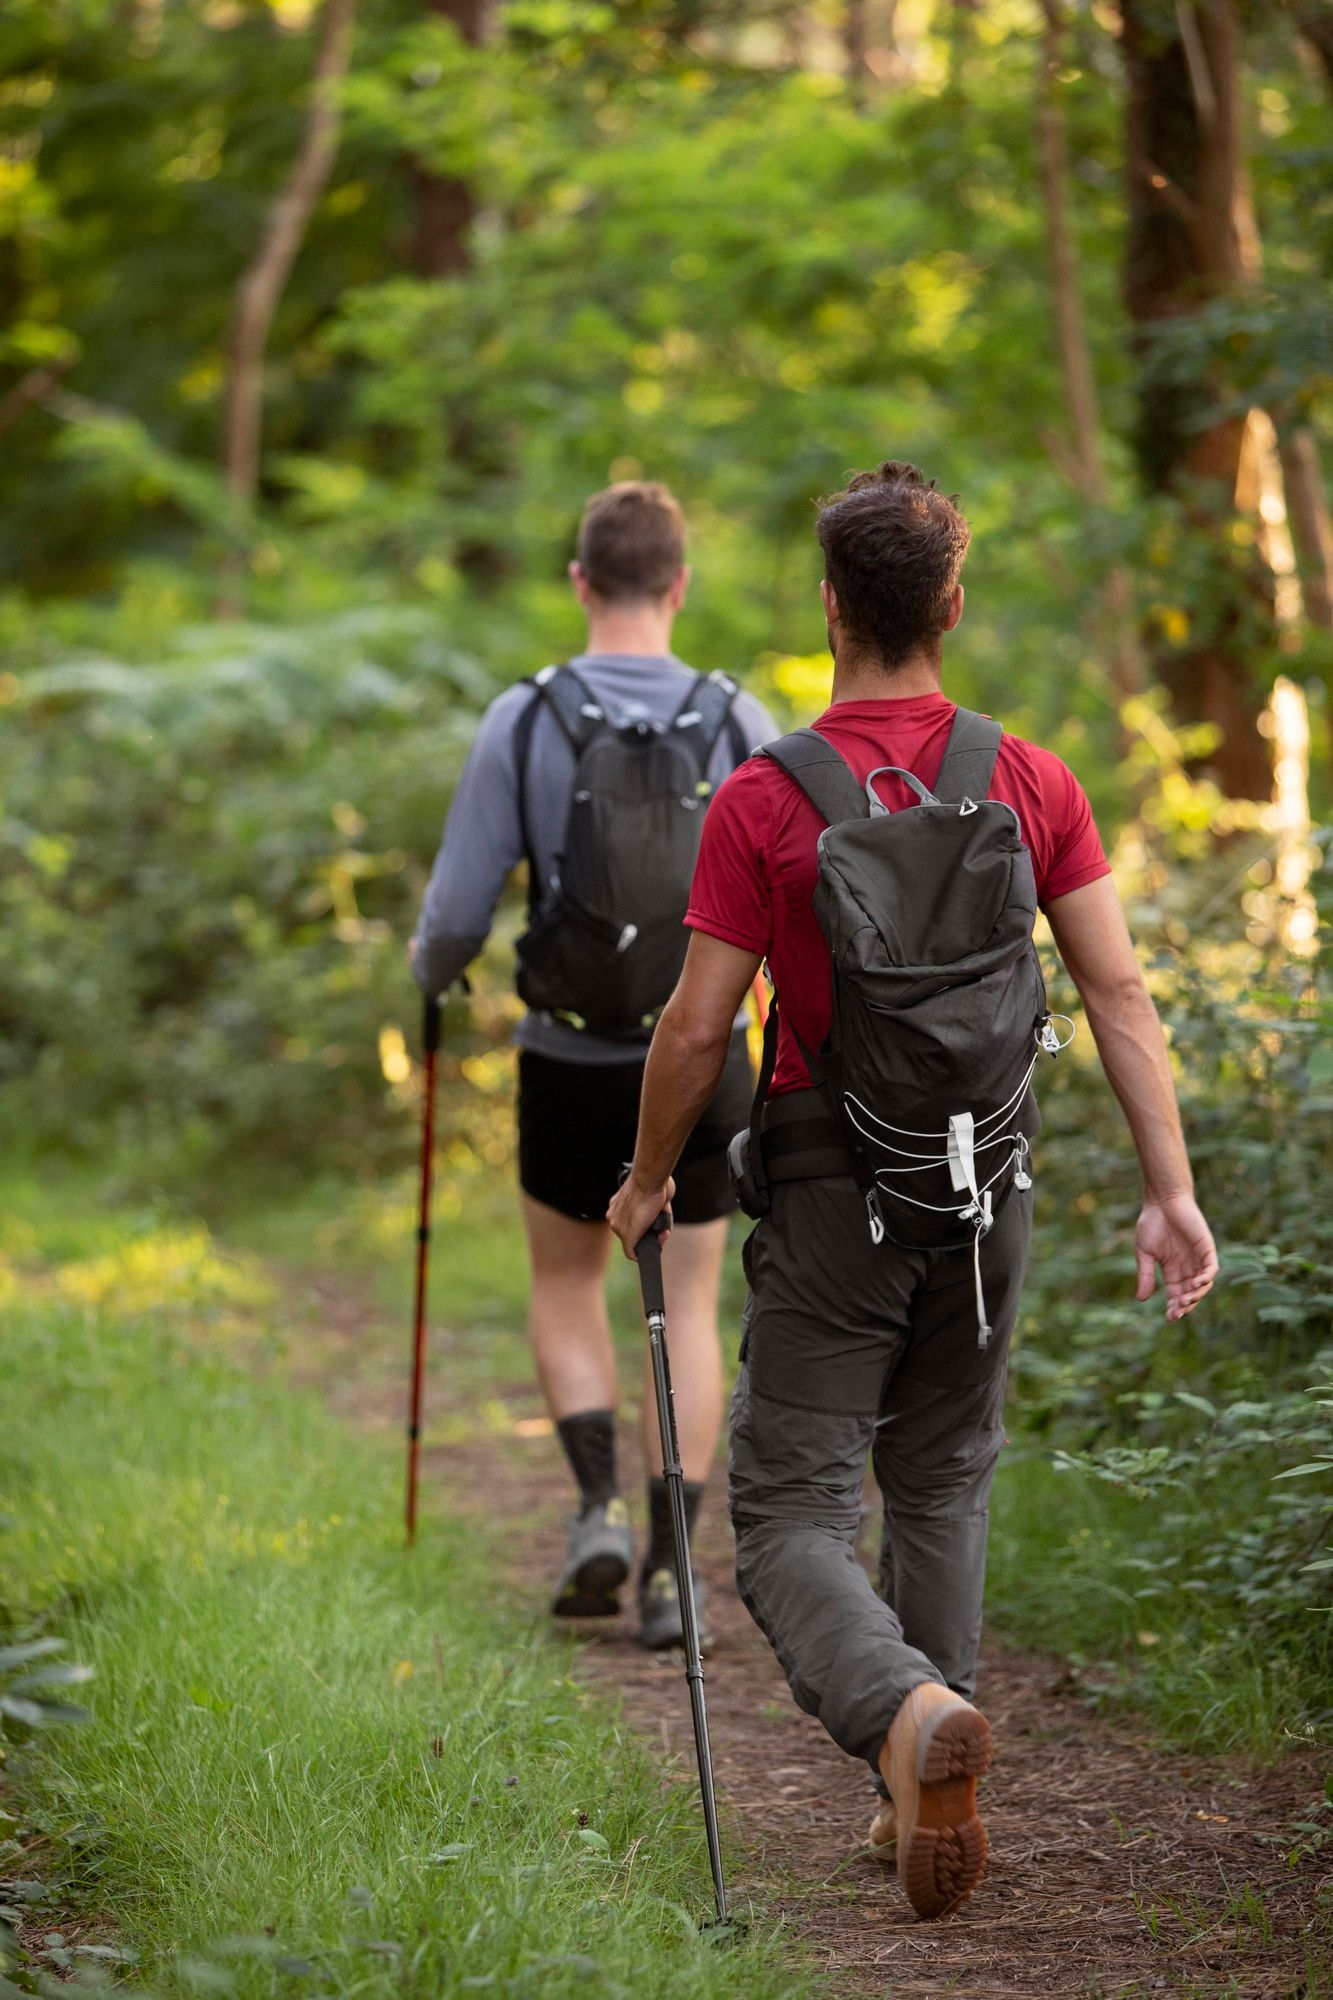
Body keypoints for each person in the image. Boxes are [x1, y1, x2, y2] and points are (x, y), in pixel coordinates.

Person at [608, 461, 1217, 1915]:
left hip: (830, 1192)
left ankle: (902, 1723)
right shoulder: (1029, 777)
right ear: (950, 605)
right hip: (985, 1187)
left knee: (786, 1515)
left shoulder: (765, 799)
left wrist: (644, 1182)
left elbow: (697, 1027)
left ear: (831, 608)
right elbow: (1116, 993)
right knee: (940, 1479)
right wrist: (1168, 1190)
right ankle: (922, 1770)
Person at [412, 479, 774, 1648]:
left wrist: (428, 976)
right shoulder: (738, 719)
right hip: (706, 1051)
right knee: (691, 1296)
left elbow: (459, 910)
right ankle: (674, 1572)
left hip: (567, 1054)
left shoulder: (523, 717)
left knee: (567, 1280)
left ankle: (593, 1508)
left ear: (580, 582)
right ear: (678, 585)